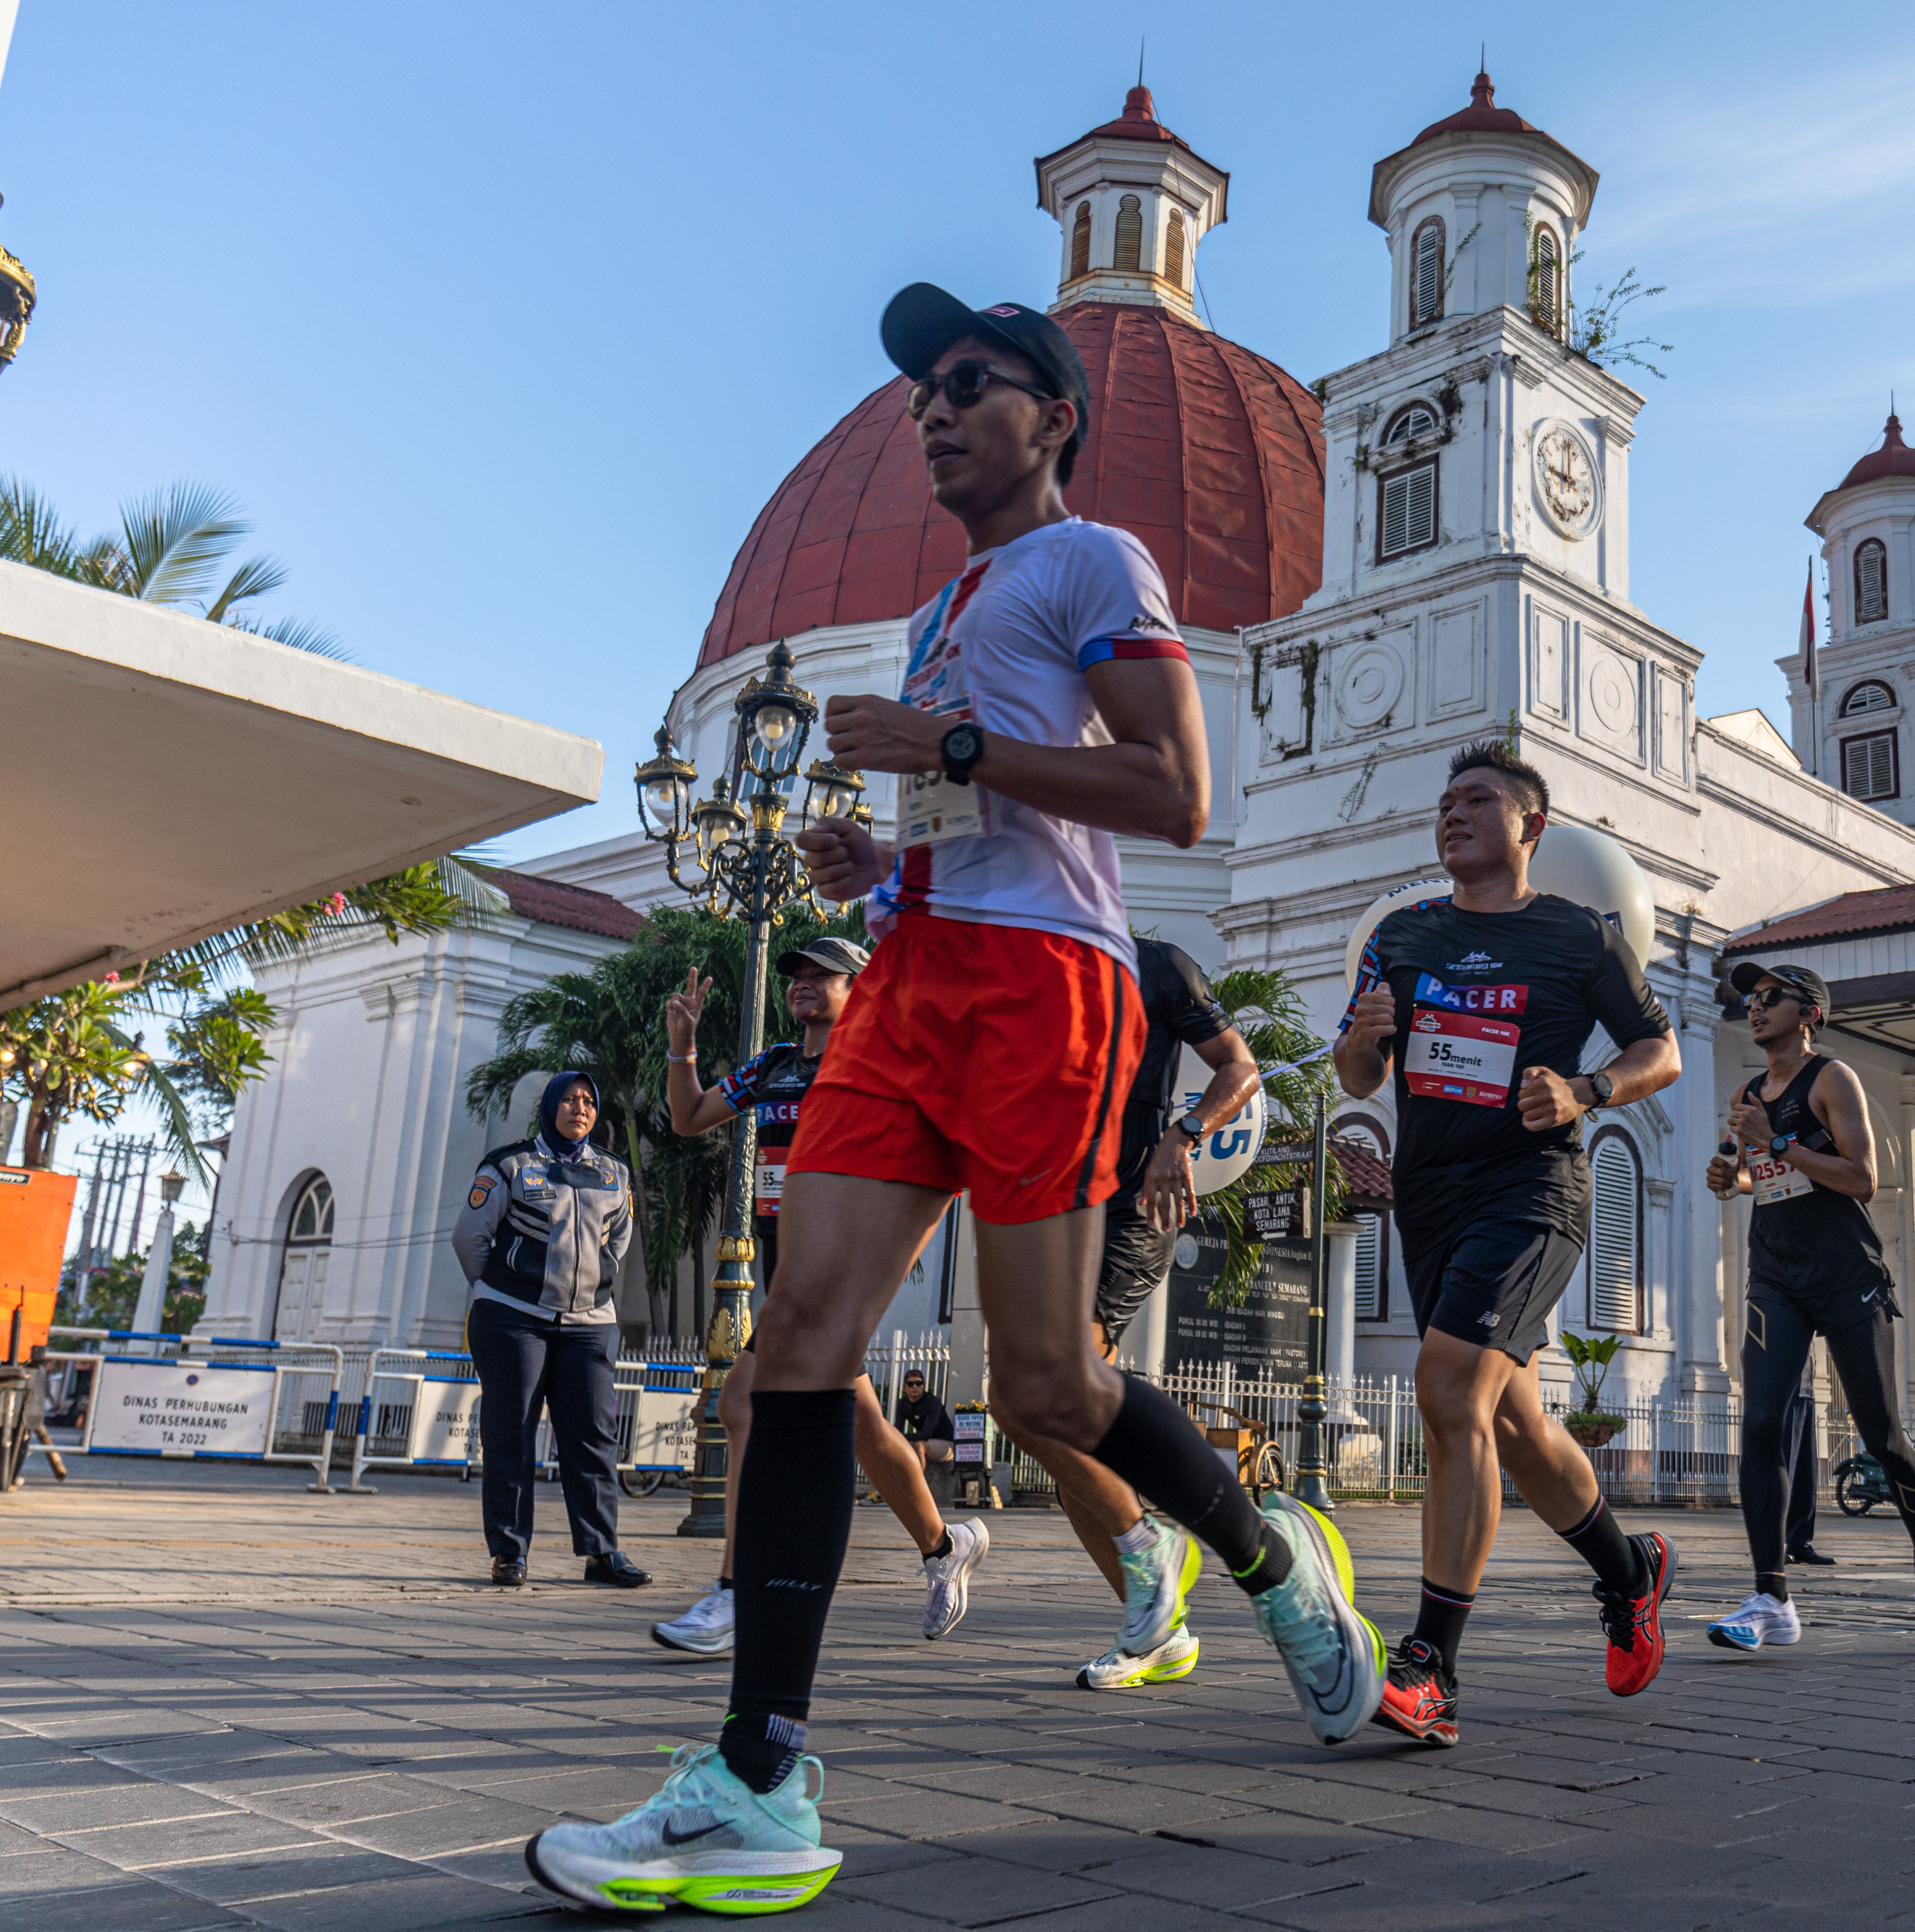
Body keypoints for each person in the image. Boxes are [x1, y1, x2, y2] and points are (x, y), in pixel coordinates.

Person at [527, 291, 1379, 1918]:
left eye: (967, 382)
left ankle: (1274, 1570)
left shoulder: (1095, 560)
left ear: (1052, 418)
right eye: (922, 388)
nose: (930, 407)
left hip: (1046, 987)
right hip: (912, 980)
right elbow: (966, 815)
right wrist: (882, 859)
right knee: (798, 1340)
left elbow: (1173, 790)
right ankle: (761, 1778)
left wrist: (957, 745)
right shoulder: (942, 604)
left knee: (1049, 1379)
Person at [1337, 741, 1683, 1747]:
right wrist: (1363, 1035)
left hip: (1532, 1191)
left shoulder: (1575, 934)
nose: (1453, 813)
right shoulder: (1401, 933)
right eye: (1446, 802)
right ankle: (1629, 1571)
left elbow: (1657, 1049)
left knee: (1447, 1390)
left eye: (1478, 799)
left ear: (1531, 827)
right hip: (1430, 1198)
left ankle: (1432, 1667)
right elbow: (1359, 1075)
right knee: (1518, 1424)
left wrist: (1586, 1090)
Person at [650, 939, 984, 1657]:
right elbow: (689, 1117)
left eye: (821, 975)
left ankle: (737, 1591)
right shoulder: (775, 1064)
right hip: (787, 1264)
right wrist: (683, 1048)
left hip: (838, 1267)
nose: (802, 984)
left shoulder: (879, 1063)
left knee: (741, 1403)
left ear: (861, 989)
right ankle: (943, 1544)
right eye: (796, 975)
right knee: (861, 1423)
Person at [1697, 961, 1915, 1656]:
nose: (1754, 1007)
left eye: (1770, 996)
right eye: (1749, 998)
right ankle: (1771, 1598)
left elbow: (1862, 1179)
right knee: (1762, 1424)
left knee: (1881, 1433)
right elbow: (1760, 1175)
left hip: (1847, 1277)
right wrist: (1733, 1177)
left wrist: (1776, 1141)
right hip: (1775, 1275)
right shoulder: (1747, 1093)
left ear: (1809, 1012)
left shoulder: (1832, 1079)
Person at [1019, 934, 1260, 1694]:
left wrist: (1184, 1135)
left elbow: (1239, 1066)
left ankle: (1161, 1542)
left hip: (1133, 1207)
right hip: (1055, 1210)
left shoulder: (1158, 966)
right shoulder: (1022, 970)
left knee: (1046, 1395)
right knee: (1071, 1449)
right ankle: (1158, 1629)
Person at [450, 1071, 647, 1590]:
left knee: (594, 1438)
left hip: (589, 1324)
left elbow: (618, 1240)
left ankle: (602, 1552)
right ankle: (508, 1553)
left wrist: (592, 1287)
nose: (580, 1108)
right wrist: (501, 1287)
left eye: (588, 1101)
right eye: (570, 1099)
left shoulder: (613, 1173)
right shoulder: (509, 1166)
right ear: (550, 1106)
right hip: (513, 1318)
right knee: (511, 1433)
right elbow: (470, 1238)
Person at [1782, 1376, 1832, 1566]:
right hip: (1785, 1393)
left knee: (1806, 1476)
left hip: (1806, 1393)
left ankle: (1799, 1543)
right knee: (1785, 1472)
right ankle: (1774, 1545)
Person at [892, 1369, 955, 1473]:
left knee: (919, 1446)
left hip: (946, 1443)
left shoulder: (932, 1402)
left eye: (919, 1383)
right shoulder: (903, 1403)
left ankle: (917, 1482)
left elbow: (926, 1434)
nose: (915, 1387)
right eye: (910, 1384)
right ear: (904, 1388)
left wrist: (902, 1437)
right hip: (926, 1442)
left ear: (923, 1386)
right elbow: (898, 1430)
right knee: (892, 1446)